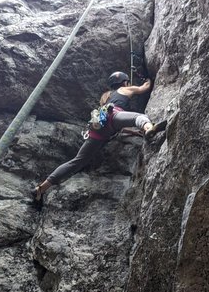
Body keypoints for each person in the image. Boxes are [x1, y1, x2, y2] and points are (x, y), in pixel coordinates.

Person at [31, 71, 166, 209]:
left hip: (97, 130)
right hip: (114, 117)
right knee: (140, 117)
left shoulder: (106, 98)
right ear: (125, 82)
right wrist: (148, 77)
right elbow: (145, 88)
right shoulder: (124, 89)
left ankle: (41, 189)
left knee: (77, 162)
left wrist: (133, 132)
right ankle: (149, 128)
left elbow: (116, 126)